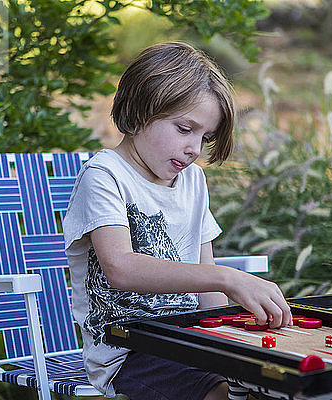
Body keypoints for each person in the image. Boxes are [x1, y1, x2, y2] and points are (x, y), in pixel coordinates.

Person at [64, 41, 292, 400]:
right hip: (129, 351)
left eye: (205, 137)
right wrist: (228, 278)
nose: (195, 149)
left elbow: (207, 280)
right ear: (140, 111)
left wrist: (233, 336)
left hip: (189, 340)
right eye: (184, 128)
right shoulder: (105, 175)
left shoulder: (193, 181)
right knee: (219, 393)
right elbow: (120, 268)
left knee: (270, 381)